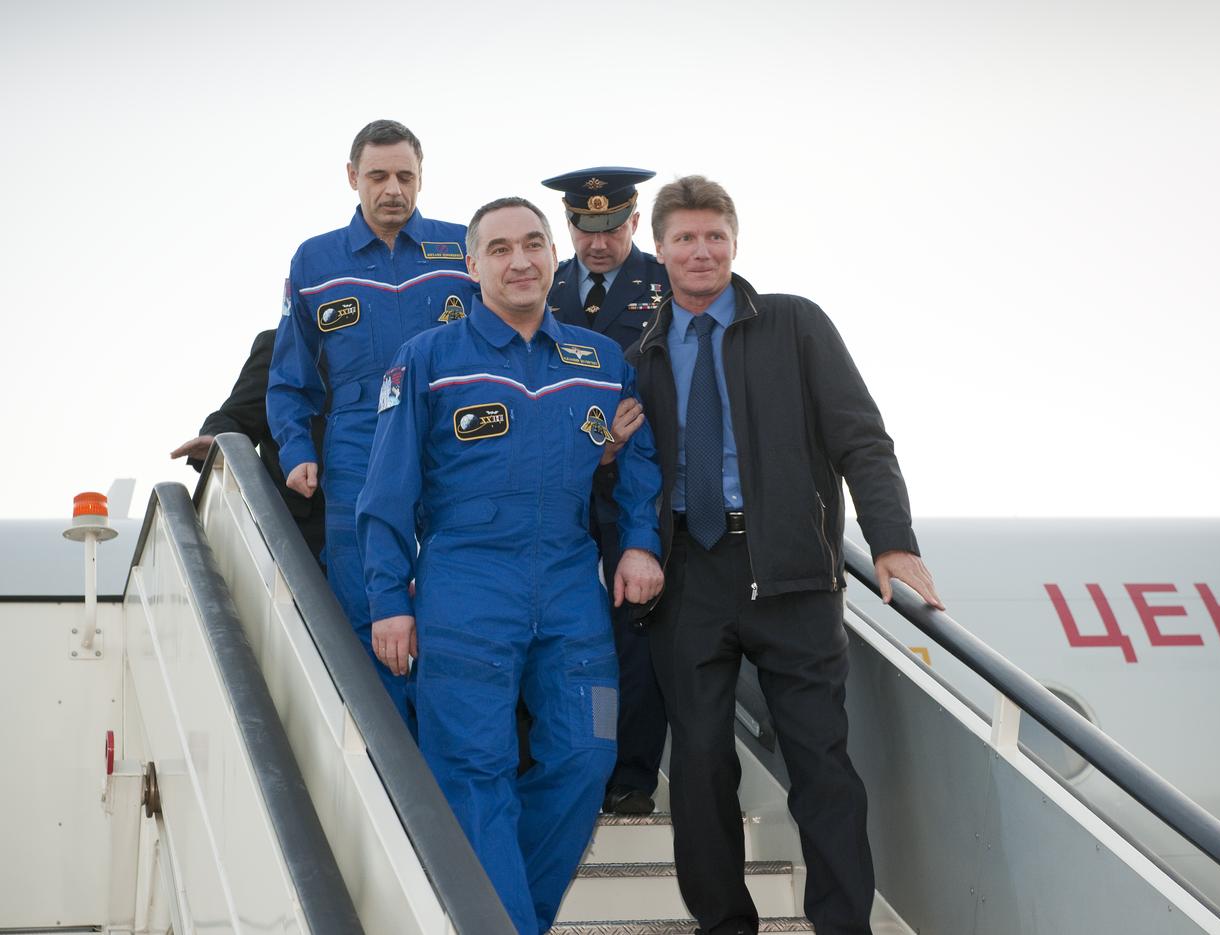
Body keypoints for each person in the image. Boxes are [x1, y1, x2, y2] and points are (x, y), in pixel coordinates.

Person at [628, 176, 945, 935]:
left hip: (792, 573)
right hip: (690, 576)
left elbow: (861, 437)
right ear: (660, 249)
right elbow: (632, 470)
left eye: (715, 236)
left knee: (822, 766)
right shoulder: (637, 353)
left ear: (735, 243)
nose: (701, 251)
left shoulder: (796, 325)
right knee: (700, 767)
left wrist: (893, 540)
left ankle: (842, 925)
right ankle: (724, 924)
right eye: (685, 238)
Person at [356, 197, 664, 935]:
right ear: (472, 265)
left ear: (553, 256)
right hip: (465, 585)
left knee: (588, 757)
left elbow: (639, 455)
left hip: (569, 586)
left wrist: (642, 540)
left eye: (533, 244)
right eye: (499, 248)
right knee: (472, 772)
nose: (519, 259)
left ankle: (497, 916)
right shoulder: (428, 359)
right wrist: (387, 598)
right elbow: (387, 489)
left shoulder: (599, 360)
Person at [267, 119, 478, 724]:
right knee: (368, 613)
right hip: (356, 449)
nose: (393, 189)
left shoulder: (461, 247)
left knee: (455, 611)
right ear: (353, 177)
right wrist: (294, 448)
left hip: (456, 452)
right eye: (379, 175)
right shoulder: (316, 259)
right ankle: (389, 774)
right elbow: (291, 374)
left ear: (421, 178)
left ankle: (446, 772)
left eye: (406, 176)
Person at [541, 166, 671, 815]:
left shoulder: (668, 287)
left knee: (635, 626)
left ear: (634, 222)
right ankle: (557, 759)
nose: (597, 242)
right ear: (569, 225)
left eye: (611, 227)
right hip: (560, 487)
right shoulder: (543, 287)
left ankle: (631, 771)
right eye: (585, 228)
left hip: (639, 486)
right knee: (558, 625)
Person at [170, 328, 325, 561]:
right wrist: (220, 438)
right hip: (302, 533)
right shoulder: (277, 345)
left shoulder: (385, 342)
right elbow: (237, 416)